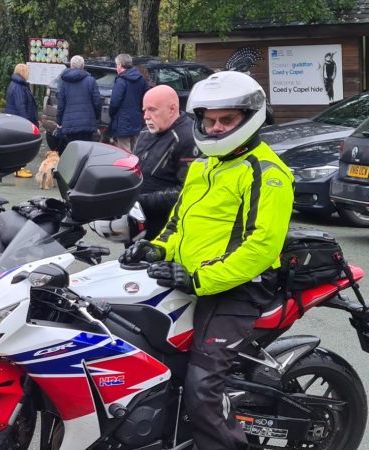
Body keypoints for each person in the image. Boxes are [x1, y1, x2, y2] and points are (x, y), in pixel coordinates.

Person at [119, 71, 293, 450]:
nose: (215, 128)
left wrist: (198, 279)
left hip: (239, 289)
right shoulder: (204, 165)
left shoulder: (267, 172)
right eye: (209, 120)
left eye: (226, 120)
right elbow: (179, 224)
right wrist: (157, 248)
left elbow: (259, 248)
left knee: (202, 387)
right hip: (190, 278)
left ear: (250, 118)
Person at [132, 85, 198, 237]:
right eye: (144, 110)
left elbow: (187, 192)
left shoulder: (188, 138)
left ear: (172, 109)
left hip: (167, 231)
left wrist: (139, 201)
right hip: (138, 225)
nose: (146, 116)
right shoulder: (145, 133)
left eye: (152, 109)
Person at [54, 55, 102, 155]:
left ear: (71, 66)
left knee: (73, 151)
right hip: (87, 123)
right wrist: (96, 118)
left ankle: (73, 169)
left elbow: (61, 105)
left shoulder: (64, 82)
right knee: (86, 151)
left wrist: (59, 121)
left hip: (70, 124)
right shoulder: (91, 81)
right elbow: (97, 102)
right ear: (83, 66)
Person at [108, 53, 148, 151]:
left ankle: (128, 167)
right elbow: (146, 98)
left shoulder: (121, 80)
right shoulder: (141, 79)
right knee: (136, 149)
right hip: (137, 119)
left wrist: (111, 114)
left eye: (117, 65)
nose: (116, 68)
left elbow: (114, 102)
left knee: (124, 151)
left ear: (120, 65)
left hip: (122, 121)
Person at [5, 63, 38, 178]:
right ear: (23, 72)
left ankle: (19, 168)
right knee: (20, 146)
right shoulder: (19, 87)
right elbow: (21, 106)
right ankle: (18, 169)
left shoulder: (17, 84)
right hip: (19, 121)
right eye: (27, 71)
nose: (29, 73)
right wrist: (27, 123)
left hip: (15, 120)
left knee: (19, 146)